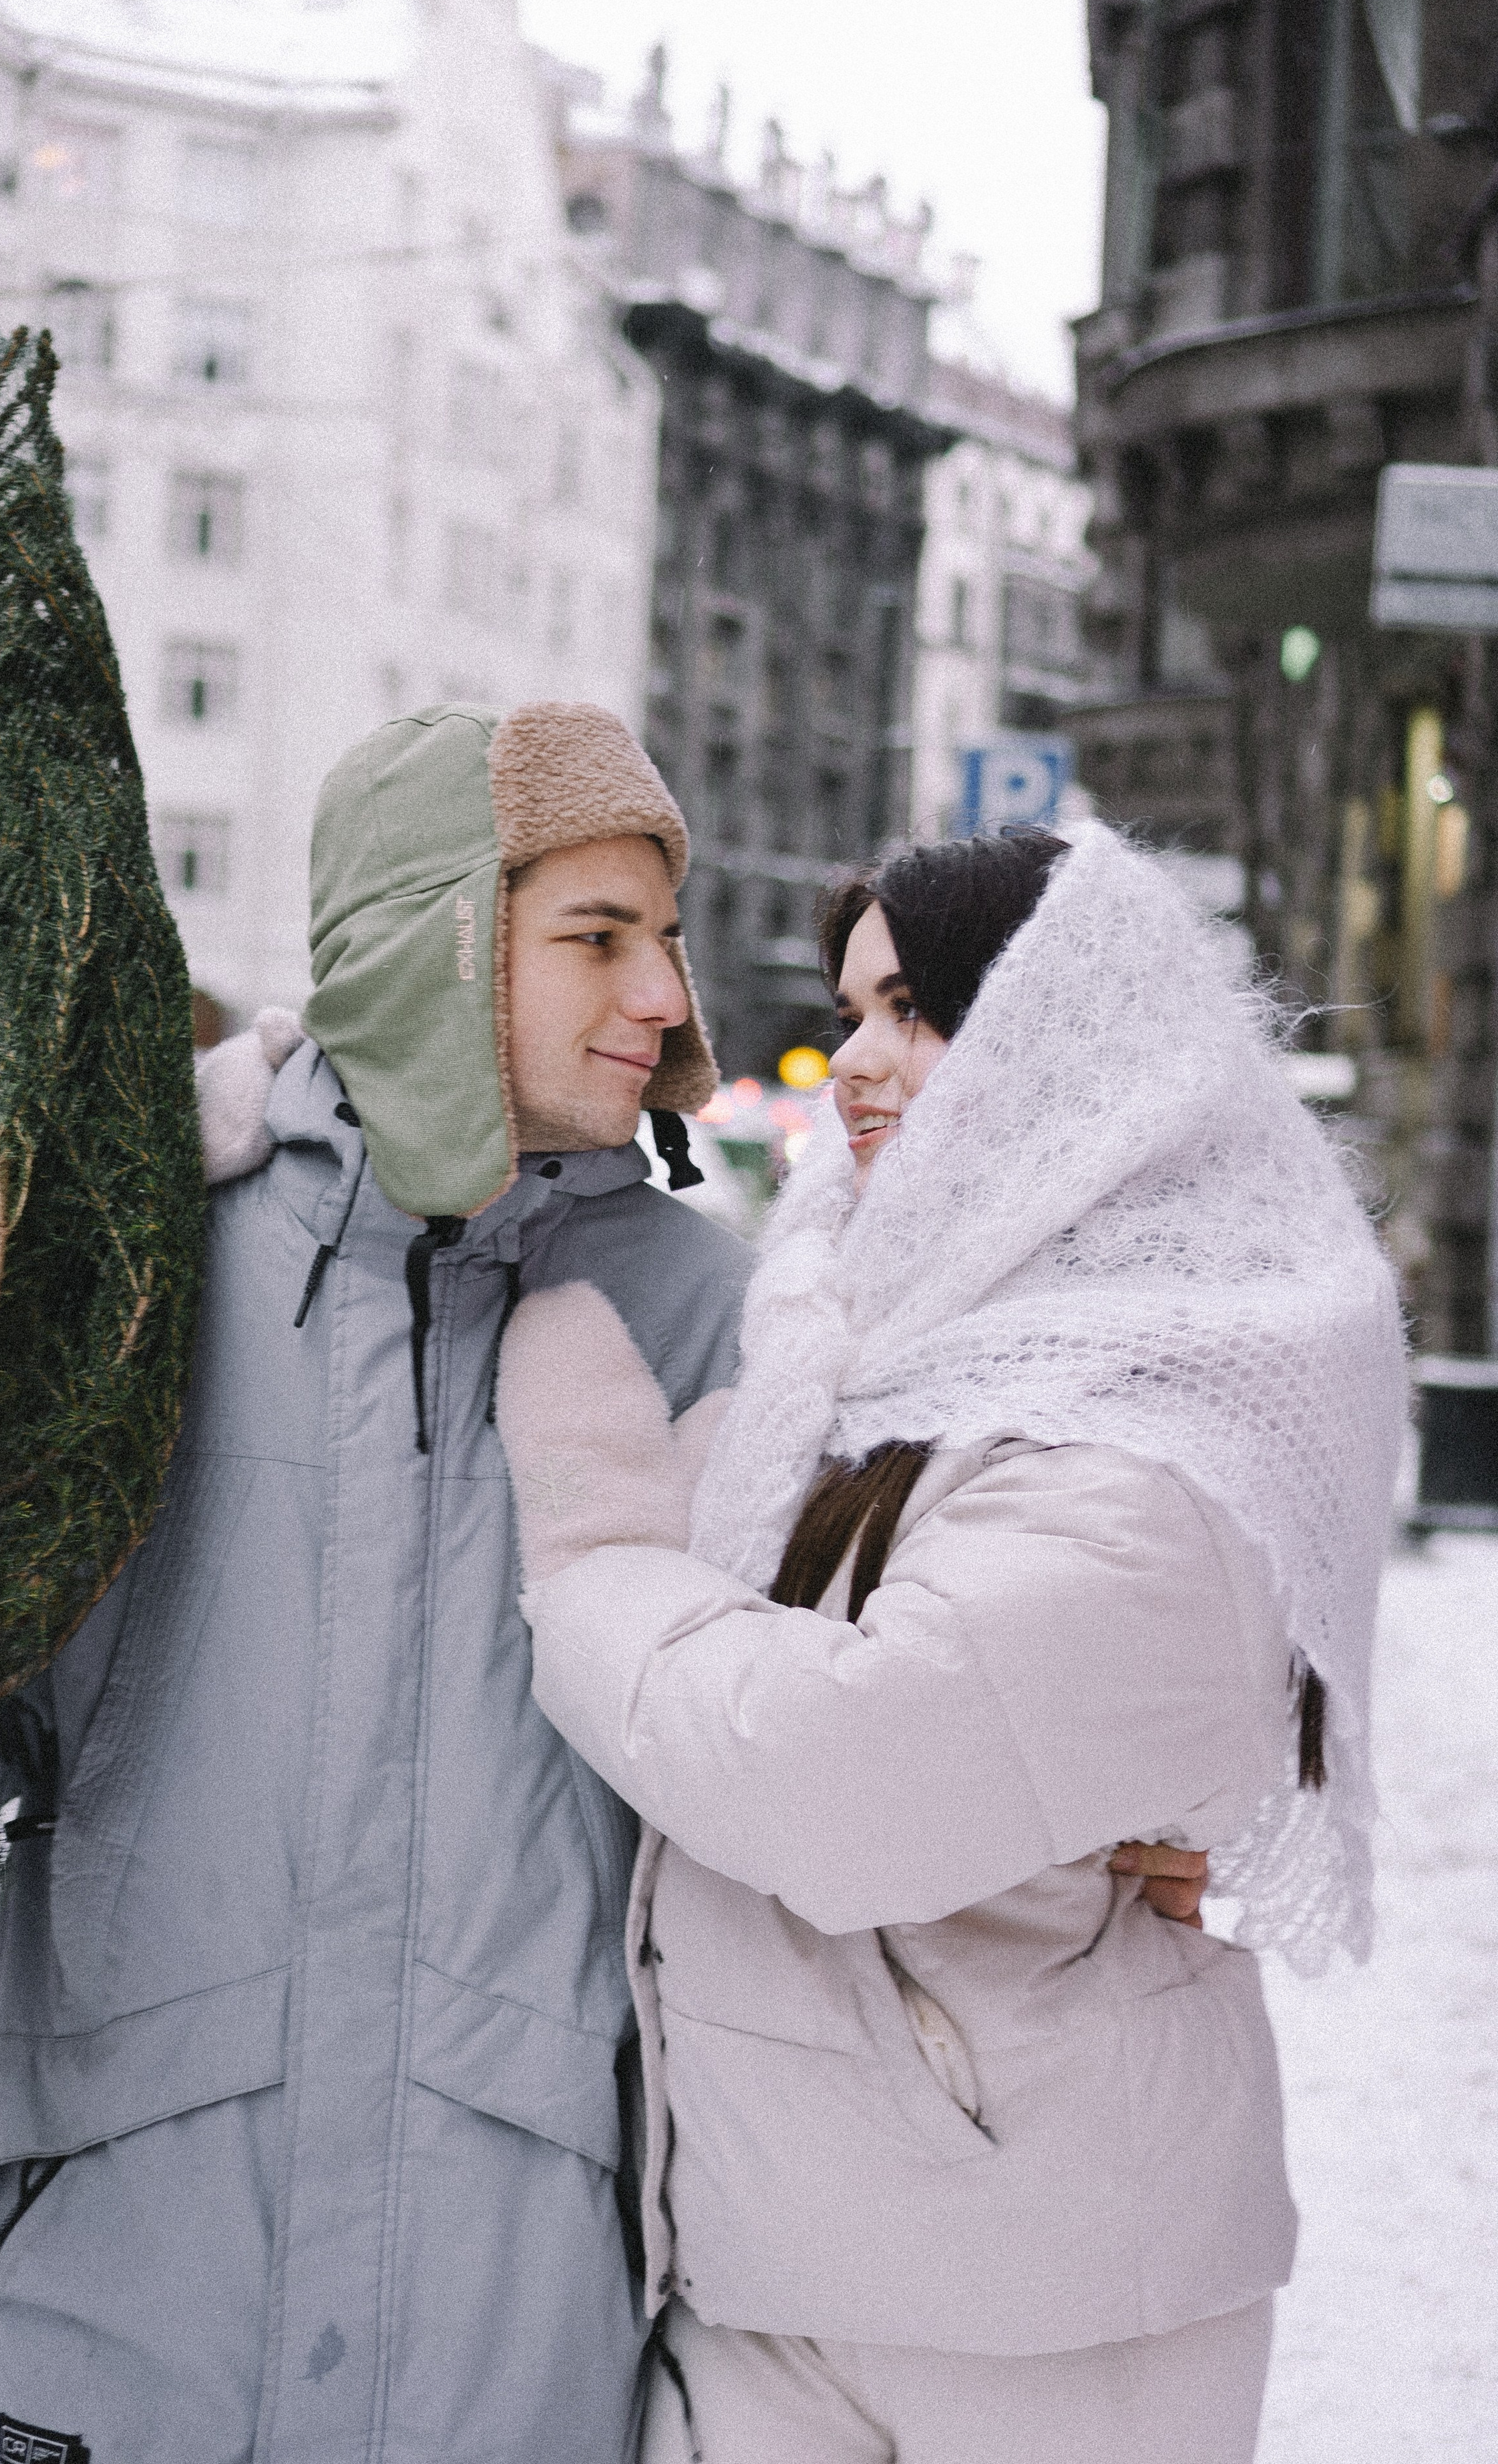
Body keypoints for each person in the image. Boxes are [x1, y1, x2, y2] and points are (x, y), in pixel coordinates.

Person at [0, 729, 1213, 2464]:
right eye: (599, 934)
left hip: (528, 2332)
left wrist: (1114, 1819)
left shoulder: (736, 1331)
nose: (664, 994)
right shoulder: (132, 1286)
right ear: (435, 931)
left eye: (669, 938)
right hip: (132, 2310)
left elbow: (903, 1712)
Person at [494, 823, 1408, 2464]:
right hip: (792, 2250)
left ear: (1069, 1046)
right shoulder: (872, 1340)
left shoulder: (1155, 1426)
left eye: (914, 1010)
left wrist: (595, 1561)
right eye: (851, 1010)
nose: (853, 1061)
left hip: (1043, 2303)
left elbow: (836, 1783)